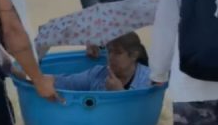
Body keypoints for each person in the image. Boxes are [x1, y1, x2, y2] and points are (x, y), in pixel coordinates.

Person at [14, 32, 152, 91]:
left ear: (134, 55)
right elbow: (64, 82)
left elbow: (143, 115)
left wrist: (120, 94)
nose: (110, 57)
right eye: (109, 51)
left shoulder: (148, 78)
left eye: (117, 52)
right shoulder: (98, 74)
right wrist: (32, 76)